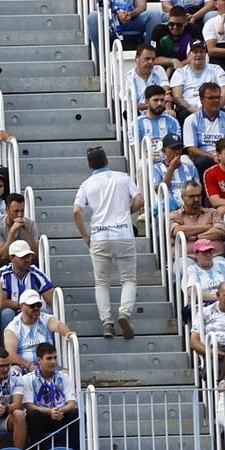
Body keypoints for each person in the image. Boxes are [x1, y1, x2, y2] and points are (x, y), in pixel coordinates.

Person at [71, 145, 142, 339]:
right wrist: (127, 213)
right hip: (124, 234)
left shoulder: (87, 184)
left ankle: (107, 323)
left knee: (101, 282)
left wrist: (85, 235)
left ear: (89, 165)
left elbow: (77, 210)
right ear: (107, 161)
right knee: (128, 279)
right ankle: (124, 313)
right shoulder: (123, 178)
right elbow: (140, 199)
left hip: (99, 236)